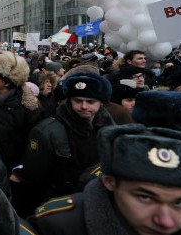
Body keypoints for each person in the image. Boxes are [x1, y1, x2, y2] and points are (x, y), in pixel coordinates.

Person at [33, 123, 181, 235]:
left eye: (179, 203)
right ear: (110, 182)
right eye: (145, 197)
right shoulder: (56, 226)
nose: (166, 221)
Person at [16, 72, 115, 209]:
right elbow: (32, 178)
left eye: (90, 102)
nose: (84, 106)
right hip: (61, 205)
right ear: (69, 100)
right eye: (78, 101)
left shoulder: (111, 130)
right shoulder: (47, 131)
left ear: (101, 102)